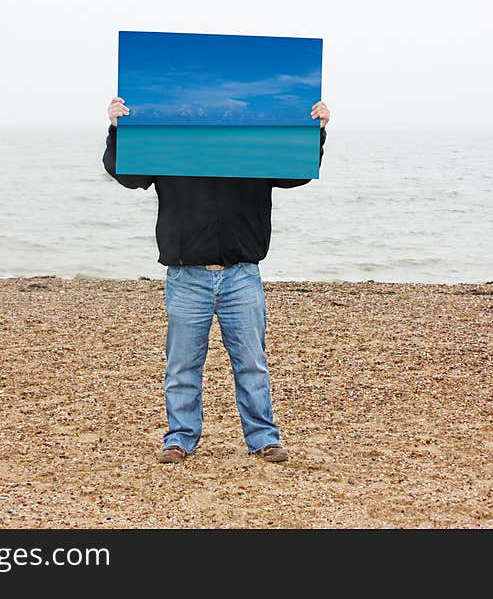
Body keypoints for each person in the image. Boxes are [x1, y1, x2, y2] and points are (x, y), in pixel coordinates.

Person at [102, 97, 330, 463]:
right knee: (182, 364)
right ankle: (179, 438)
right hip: (186, 274)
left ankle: (263, 438)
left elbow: (296, 172)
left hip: (242, 273)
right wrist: (117, 128)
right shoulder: (170, 145)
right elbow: (128, 175)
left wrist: (315, 130)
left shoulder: (255, 147)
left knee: (252, 362)